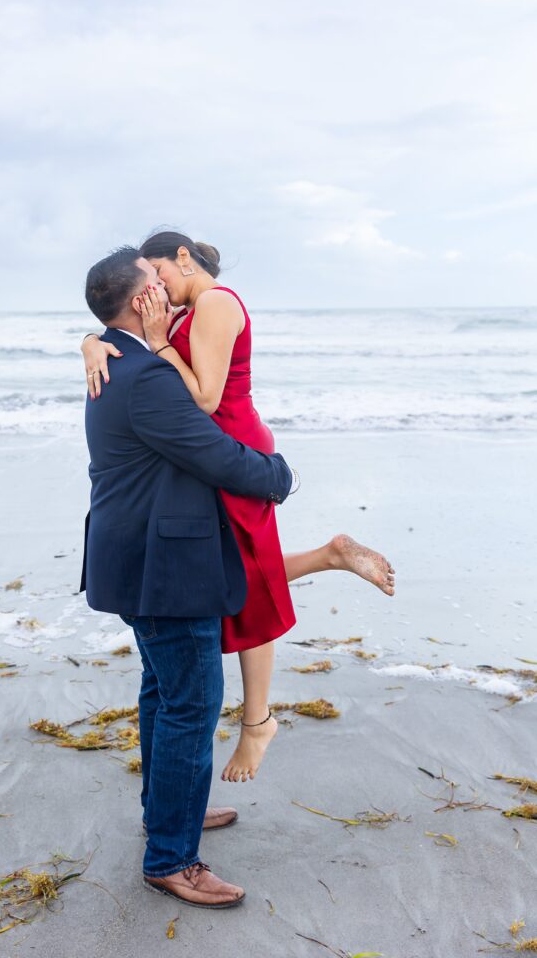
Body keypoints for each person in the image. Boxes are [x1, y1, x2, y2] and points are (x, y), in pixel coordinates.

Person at [82, 232, 396, 786]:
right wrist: (96, 339)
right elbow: (135, 345)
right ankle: (328, 558)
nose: (158, 289)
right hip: (209, 443)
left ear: (184, 258)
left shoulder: (216, 302)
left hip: (230, 443)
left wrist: (155, 340)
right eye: (149, 281)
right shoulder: (181, 310)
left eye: (161, 274)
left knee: (248, 577)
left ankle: (258, 719)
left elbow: (203, 396)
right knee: (245, 571)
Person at [80, 246, 295, 909]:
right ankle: (171, 858)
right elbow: (217, 457)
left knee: (161, 693)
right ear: (141, 299)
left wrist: (96, 338)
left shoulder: (122, 358)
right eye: (155, 281)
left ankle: (167, 809)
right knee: (190, 706)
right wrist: (278, 474)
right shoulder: (143, 374)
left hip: (140, 557)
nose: (168, 285)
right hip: (165, 568)